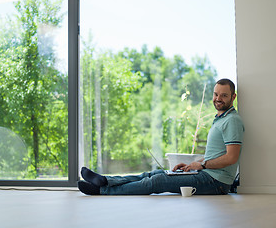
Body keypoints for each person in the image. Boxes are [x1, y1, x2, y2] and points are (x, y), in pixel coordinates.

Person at [78, 78, 245, 195]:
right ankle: (106, 181)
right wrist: (192, 165)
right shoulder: (220, 119)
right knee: (151, 174)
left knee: (157, 182)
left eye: (224, 95)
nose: (218, 99)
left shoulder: (232, 121)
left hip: (217, 183)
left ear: (233, 97)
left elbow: (231, 158)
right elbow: (215, 156)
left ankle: (102, 190)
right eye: (216, 94)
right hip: (207, 175)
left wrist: (203, 165)